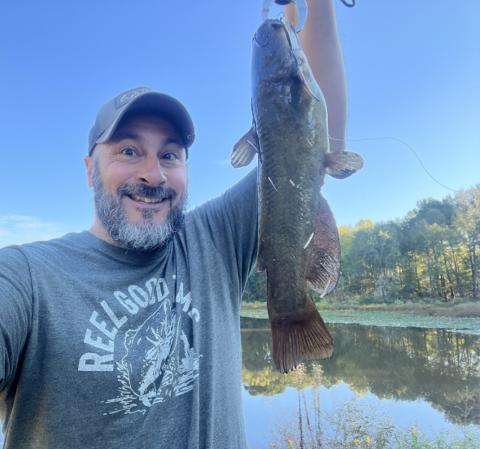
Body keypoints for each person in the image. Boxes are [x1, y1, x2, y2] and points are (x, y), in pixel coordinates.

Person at [0, 1, 348, 447]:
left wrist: (320, 5)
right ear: (90, 169)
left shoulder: (215, 240)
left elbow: (309, 134)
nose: (153, 174)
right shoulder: (26, 278)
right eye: (129, 151)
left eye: (169, 155)